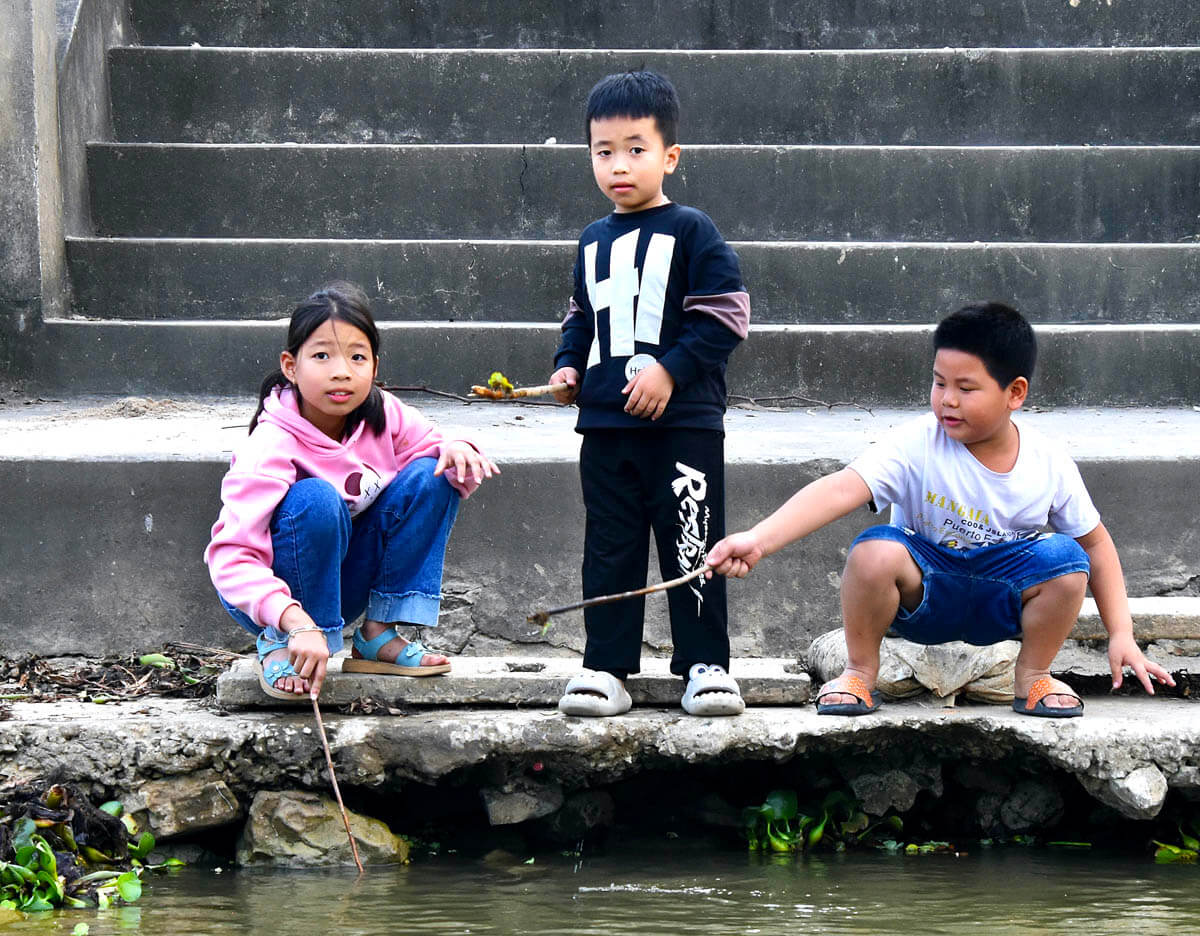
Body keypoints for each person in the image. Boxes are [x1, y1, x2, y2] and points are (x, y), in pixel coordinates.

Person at [706, 302, 1174, 717]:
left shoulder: (1047, 462)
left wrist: (1121, 634)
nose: (947, 399)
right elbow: (840, 489)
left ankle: (1033, 676)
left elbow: (1096, 544)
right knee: (873, 551)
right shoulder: (915, 444)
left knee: (1067, 560)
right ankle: (859, 673)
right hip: (925, 594)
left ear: (1015, 393)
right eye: (939, 382)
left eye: (966, 388)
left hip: (1000, 600)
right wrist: (758, 540)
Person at [548, 70, 751, 718]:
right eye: (603, 151)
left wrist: (670, 371)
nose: (619, 165)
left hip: (684, 427)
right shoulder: (591, 240)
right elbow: (582, 316)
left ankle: (705, 664)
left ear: (670, 156)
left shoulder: (693, 230)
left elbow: (726, 316)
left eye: (636, 149)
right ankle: (606, 668)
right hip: (606, 428)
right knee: (610, 547)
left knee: (692, 543)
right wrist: (568, 369)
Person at [205, 282, 499, 700]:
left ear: (374, 367)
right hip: (276, 600)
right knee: (316, 499)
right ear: (290, 366)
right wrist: (293, 620)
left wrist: (457, 447)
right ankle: (282, 641)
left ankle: (378, 634)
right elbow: (231, 555)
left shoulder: (382, 414)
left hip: (342, 583)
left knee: (434, 472)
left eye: (357, 357)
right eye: (322, 356)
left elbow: (433, 444)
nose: (341, 371)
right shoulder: (269, 445)